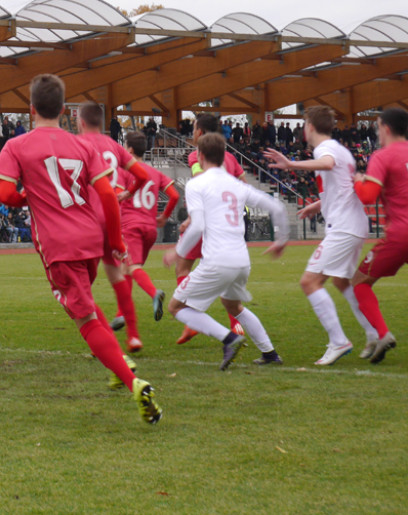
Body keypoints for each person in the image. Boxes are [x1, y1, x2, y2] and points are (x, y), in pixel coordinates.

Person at [0, 74, 161, 425]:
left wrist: (30, 196)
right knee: (86, 300)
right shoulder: (83, 145)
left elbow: (5, 195)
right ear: (64, 110)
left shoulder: (18, 145)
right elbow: (108, 198)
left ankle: (135, 382)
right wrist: (114, 241)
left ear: (31, 108)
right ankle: (121, 363)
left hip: (58, 244)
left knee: (83, 319)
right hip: (89, 237)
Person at [163, 133, 288, 370]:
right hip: (241, 261)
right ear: (224, 157)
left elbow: (197, 225)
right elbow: (277, 207)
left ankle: (229, 339)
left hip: (217, 261)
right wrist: (281, 239)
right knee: (233, 306)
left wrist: (177, 252)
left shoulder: (197, 184)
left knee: (176, 307)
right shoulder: (237, 184)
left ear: (199, 156)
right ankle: (269, 354)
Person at [264, 106, 376, 365]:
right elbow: (341, 184)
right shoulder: (341, 149)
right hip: (354, 224)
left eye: (304, 123)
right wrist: (318, 205)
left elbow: (327, 163)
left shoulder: (325, 150)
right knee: (341, 281)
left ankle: (339, 341)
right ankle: (374, 333)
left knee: (309, 282)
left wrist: (290, 163)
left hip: (345, 226)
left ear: (310, 126)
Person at [77, 102, 152, 353]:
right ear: (101, 121)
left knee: (83, 282)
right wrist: (126, 193)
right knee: (117, 275)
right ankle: (133, 335)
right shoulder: (115, 147)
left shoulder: (78, 145)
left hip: (87, 219)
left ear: (81, 121)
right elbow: (141, 176)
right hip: (113, 218)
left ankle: (101, 337)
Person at [175, 112, 250, 344]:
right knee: (224, 274)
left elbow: (201, 183)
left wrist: (190, 219)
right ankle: (236, 324)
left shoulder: (196, 156)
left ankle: (191, 321)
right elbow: (244, 186)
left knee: (182, 265)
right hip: (230, 224)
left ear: (199, 132)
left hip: (207, 220)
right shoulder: (230, 157)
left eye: (194, 129)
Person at [345, 107, 408, 363]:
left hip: (400, 234)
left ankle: (383, 334)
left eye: (378, 127)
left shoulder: (383, 156)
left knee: (359, 282)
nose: (377, 132)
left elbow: (368, 197)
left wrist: (359, 180)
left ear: (387, 129)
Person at [109, 132, 180, 345]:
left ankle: (154, 293)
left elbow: (117, 197)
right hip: (150, 229)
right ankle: (121, 315)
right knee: (127, 268)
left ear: (129, 150)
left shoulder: (124, 171)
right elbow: (175, 195)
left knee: (131, 267)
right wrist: (163, 217)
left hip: (131, 226)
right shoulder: (156, 173)